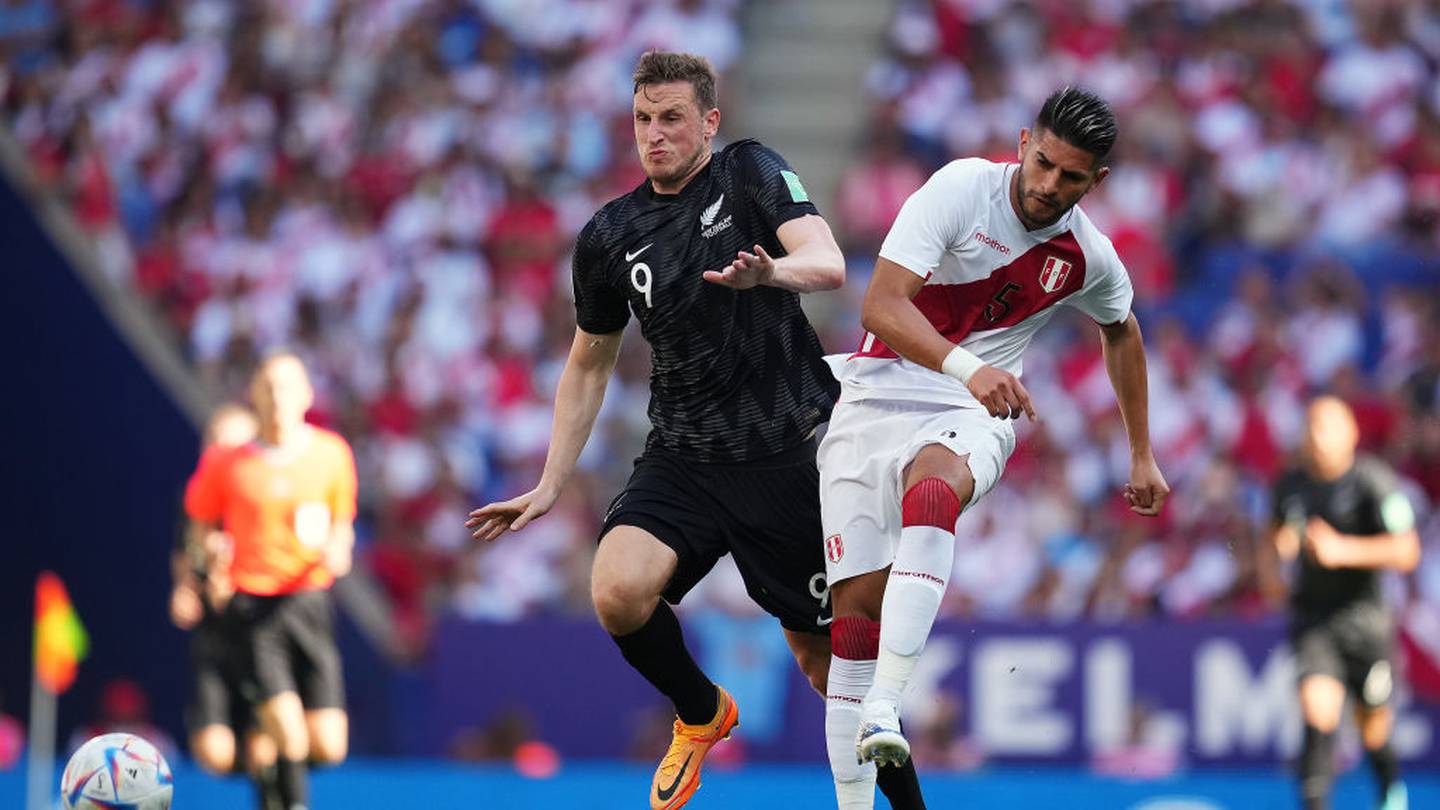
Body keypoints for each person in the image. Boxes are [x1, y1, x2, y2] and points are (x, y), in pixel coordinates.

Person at [467, 50, 925, 810]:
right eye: (644, 119)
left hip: (788, 454)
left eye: (672, 117)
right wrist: (551, 482)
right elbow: (588, 364)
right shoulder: (610, 235)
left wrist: (769, 273)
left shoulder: (749, 173)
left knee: (832, 668)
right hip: (685, 455)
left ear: (709, 121)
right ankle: (702, 713)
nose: (656, 134)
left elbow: (827, 260)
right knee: (616, 591)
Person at [817, 87, 1169, 808]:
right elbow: (881, 305)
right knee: (853, 615)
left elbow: (1123, 329)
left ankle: (888, 705)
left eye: (1071, 178)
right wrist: (970, 367)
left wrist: (1142, 452)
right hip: (877, 392)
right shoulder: (960, 189)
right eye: (1043, 163)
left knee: (934, 492)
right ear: (1021, 142)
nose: (1049, 186)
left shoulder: (1086, 255)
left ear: (1095, 182)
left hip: (967, 406)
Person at [185, 352, 357, 810]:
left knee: (328, 744)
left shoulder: (331, 454)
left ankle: (270, 772)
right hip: (253, 608)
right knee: (287, 730)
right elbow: (199, 526)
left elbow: (341, 524)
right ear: (255, 396)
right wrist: (209, 559)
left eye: (286, 388)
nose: (277, 398)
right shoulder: (228, 463)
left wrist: (340, 549)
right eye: (268, 388)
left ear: (306, 396)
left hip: (309, 604)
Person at [1271, 396, 1420, 810]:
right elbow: (1276, 540)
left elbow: (1407, 550)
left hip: (1366, 622)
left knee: (1372, 728)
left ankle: (1390, 791)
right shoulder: (1290, 486)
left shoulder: (1374, 482)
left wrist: (1343, 551)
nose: (1318, 437)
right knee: (1318, 715)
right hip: (1314, 620)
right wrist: (1275, 562)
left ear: (1351, 434)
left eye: (1328, 427)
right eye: (1312, 427)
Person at [170, 402, 283, 809]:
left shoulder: (264, 507)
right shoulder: (198, 503)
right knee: (214, 752)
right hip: (215, 646)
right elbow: (186, 556)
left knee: (267, 742)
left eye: (230, 446)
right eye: (212, 444)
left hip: (260, 642)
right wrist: (185, 591)